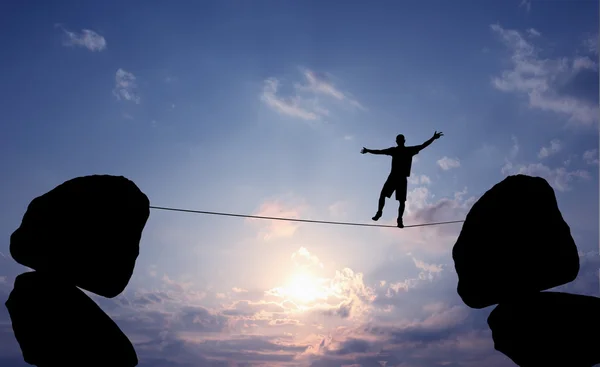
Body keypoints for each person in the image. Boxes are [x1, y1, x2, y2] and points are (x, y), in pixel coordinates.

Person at [361, 131, 444, 228]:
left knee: (397, 200)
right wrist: (368, 150)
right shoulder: (402, 150)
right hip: (396, 177)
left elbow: (423, 145)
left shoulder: (404, 150)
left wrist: (433, 138)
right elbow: (380, 151)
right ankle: (386, 214)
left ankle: (395, 217)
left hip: (397, 177)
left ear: (399, 141)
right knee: (390, 197)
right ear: (401, 141)